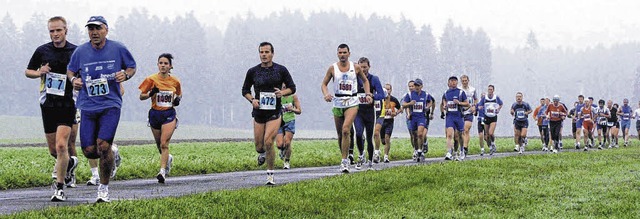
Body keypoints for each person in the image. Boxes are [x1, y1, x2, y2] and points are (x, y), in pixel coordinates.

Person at [67, 16, 136, 203]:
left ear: (106, 30)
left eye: (98, 28)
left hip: (110, 104)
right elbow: (71, 71)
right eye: (90, 29)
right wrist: (74, 80)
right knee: (89, 150)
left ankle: (103, 189)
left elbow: (131, 67)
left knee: (102, 146)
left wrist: (126, 75)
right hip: (88, 105)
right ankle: (113, 153)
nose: (94, 32)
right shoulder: (80, 51)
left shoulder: (118, 48)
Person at [25, 16, 79, 201]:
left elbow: (84, 73)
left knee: (62, 145)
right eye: (52, 31)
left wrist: (78, 82)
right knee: (54, 151)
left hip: (68, 102)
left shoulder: (76, 51)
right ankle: (70, 163)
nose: (55, 34)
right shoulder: (42, 50)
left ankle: (59, 188)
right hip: (48, 103)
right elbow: (28, 71)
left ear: (66, 30)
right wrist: (40, 72)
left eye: (58, 30)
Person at [242, 42, 296, 185]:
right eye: (261, 52)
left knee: (268, 142)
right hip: (259, 112)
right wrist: (252, 99)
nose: (264, 55)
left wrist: (282, 93)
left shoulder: (281, 70)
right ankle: (263, 153)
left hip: (275, 112)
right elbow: (245, 90)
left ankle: (270, 175)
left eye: (267, 52)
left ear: (272, 53)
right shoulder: (252, 71)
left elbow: (292, 87)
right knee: (259, 146)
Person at [321, 44, 371, 173]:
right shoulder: (333, 68)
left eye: (344, 52)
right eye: (340, 53)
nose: (342, 55)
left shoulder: (355, 67)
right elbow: (324, 84)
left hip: (352, 101)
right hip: (337, 102)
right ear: (337, 54)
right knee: (340, 134)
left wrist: (368, 94)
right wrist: (326, 94)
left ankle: (345, 162)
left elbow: (365, 81)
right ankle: (344, 155)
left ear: (349, 53)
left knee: (345, 130)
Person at [139, 53, 182, 183]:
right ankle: (167, 158)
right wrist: (151, 93)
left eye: (166, 63)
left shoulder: (175, 81)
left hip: (168, 114)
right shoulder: (150, 79)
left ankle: (162, 172)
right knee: (159, 145)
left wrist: (177, 101)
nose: (163, 66)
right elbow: (141, 96)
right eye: (161, 63)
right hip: (155, 114)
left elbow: (179, 95)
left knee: (164, 143)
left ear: (170, 66)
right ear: (158, 65)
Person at [353, 57, 384, 168]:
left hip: (369, 112)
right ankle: (361, 155)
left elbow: (382, 95)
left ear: (369, 67)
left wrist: (372, 96)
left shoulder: (374, 79)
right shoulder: (354, 79)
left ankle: (370, 162)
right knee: (358, 133)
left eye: (365, 67)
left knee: (369, 136)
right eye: (360, 67)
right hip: (357, 112)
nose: (363, 69)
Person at [403, 78, 432, 162]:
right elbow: (404, 104)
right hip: (413, 118)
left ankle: (420, 150)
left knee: (420, 134)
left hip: (421, 117)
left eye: (418, 85)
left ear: (421, 86)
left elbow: (431, 102)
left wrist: (427, 107)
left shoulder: (425, 94)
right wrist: (410, 104)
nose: (416, 87)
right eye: (415, 85)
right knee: (414, 136)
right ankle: (416, 150)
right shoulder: (409, 95)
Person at [441, 76, 469, 160]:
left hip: (459, 116)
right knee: (449, 134)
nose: (453, 82)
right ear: (448, 83)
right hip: (450, 116)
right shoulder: (446, 92)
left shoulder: (461, 92)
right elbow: (444, 101)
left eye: (454, 81)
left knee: (460, 135)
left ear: (457, 83)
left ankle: (462, 151)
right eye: (451, 81)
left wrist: (459, 102)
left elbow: (467, 103)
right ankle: (449, 152)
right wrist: (445, 106)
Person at [276, 83, 302, 170]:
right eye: (283, 87)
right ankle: (282, 150)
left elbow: (299, 110)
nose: (284, 88)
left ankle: (287, 161)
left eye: (286, 87)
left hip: (290, 120)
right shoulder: (278, 96)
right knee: (280, 144)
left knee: (287, 142)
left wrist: (292, 109)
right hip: (279, 121)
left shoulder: (293, 97)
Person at [374, 84, 401, 164]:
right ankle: (378, 152)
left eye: (388, 89)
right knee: (382, 140)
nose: (387, 91)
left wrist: (395, 113)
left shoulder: (394, 99)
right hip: (381, 120)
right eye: (385, 89)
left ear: (391, 90)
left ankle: (386, 156)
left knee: (387, 138)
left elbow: (400, 108)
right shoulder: (380, 99)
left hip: (389, 121)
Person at [478, 85, 503, 155]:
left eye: (491, 89)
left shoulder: (496, 97)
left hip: (493, 117)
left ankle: (493, 143)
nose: (490, 91)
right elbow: (480, 104)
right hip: (486, 117)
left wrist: (498, 109)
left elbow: (501, 104)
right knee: (487, 135)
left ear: (493, 90)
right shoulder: (484, 98)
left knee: (491, 132)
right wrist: (480, 107)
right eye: (488, 89)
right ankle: (491, 148)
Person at [459, 75, 478, 157]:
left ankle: (465, 148)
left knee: (466, 129)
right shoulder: (459, 90)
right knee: (461, 131)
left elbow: (476, 99)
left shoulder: (472, 89)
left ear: (468, 80)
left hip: (469, 112)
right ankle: (462, 146)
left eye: (465, 80)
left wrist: (474, 106)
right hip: (461, 112)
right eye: (463, 81)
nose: (464, 82)